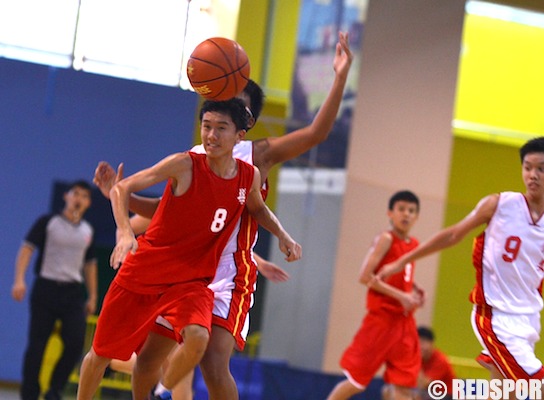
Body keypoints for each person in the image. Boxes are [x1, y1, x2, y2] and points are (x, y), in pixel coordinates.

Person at [93, 30, 353, 400]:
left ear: (245, 120)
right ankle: (161, 391)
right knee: (148, 360)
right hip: (184, 271)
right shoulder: (196, 155)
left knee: (214, 366)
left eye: (234, 103)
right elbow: (165, 212)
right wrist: (120, 197)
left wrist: (340, 76)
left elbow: (316, 132)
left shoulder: (256, 155)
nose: (222, 109)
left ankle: (166, 391)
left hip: (228, 275)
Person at [76, 98, 302, 400]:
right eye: (206, 127)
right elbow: (122, 187)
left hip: (191, 282)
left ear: (239, 136)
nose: (211, 135)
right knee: (100, 356)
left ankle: (162, 393)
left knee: (197, 337)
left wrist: (283, 235)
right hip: (144, 274)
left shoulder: (248, 176)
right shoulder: (184, 165)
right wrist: (124, 231)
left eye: (221, 128)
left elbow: (258, 210)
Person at [377, 137, 544, 395]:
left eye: (541, 168)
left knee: (504, 392)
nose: (532, 175)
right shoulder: (499, 205)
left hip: (528, 319)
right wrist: (403, 260)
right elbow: (453, 235)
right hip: (495, 317)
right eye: (527, 167)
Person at [326, 190, 425, 400]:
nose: (406, 214)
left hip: (404, 323)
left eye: (411, 210)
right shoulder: (386, 239)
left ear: (417, 216)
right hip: (381, 321)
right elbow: (365, 276)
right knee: (356, 383)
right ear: (390, 213)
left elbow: (399, 274)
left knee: (404, 385)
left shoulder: (412, 244)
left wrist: (414, 289)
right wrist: (401, 296)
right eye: (401, 209)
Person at [11, 180, 98, 400]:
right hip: (46, 289)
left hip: (72, 293)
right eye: (75, 194)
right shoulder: (48, 222)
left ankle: (55, 389)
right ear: (66, 197)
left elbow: (90, 265)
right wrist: (19, 280)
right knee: (37, 345)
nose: (78, 199)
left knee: (76, 341)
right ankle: (29, 393)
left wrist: (93, 295)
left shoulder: (88, 231)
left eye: (84, 196)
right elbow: (26, 249)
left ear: (88, 203)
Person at [415, 326, 456, 400]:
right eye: (417, 343)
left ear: (432, 343)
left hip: (448, 395)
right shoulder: (421, 358)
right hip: (430, 392)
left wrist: (416, 359)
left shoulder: (440, 360)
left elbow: (423, 384)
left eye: (423, 342)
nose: (420, 347)